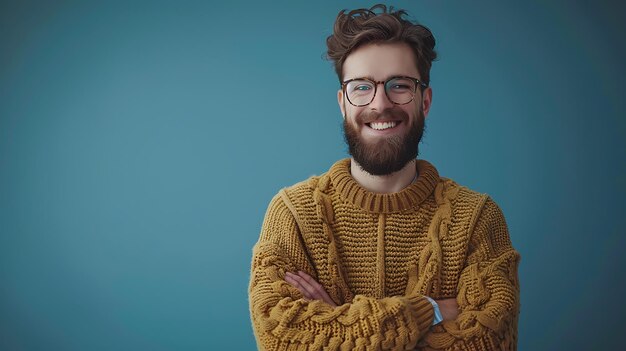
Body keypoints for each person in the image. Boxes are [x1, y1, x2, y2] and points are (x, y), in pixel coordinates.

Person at [248, 4, 520, 350]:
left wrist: (340, 323)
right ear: (343, 103)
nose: (380, 103)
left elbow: (490, 341)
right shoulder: (292, 214)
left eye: (400, 85)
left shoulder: (479, 218)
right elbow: (280, 339)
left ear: (424, 101)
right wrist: (430, 310)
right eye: (362, 87)